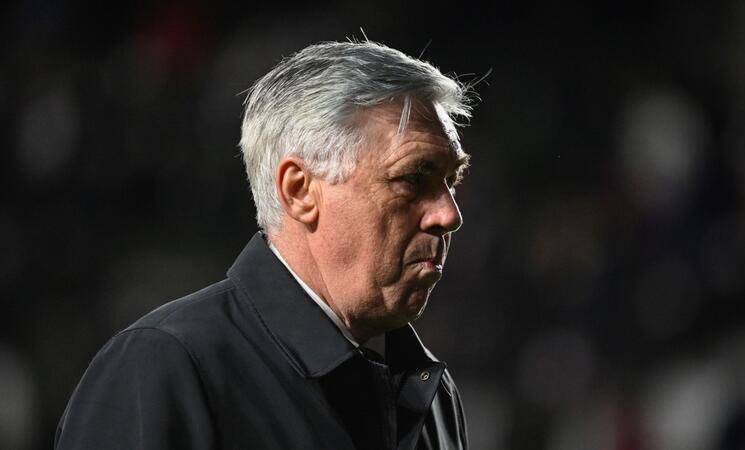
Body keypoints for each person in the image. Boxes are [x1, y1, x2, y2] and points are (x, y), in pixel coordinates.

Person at [55, 39, 476, 450]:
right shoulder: (165, 366)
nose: (449, 215)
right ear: (300, 191)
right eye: (412, 178)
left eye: (451, 180)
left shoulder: (432, 393)